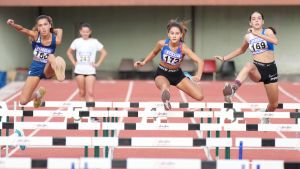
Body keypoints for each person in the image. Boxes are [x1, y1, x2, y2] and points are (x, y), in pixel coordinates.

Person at [214, 11, 279, 123]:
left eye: (259, 18)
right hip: (257, 69)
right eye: (253, 19)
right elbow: (241, 50)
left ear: (262, 21)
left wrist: (257, 34)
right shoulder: (247, 37)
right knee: (248, 65)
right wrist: (224, 58)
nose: (256, 20)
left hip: (271, 70)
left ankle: (266, 114)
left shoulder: (267, 31)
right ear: (250, 23)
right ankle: (232, 90)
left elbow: (275, 41)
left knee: (274, 104)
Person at [134, 19, 204, 110]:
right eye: (172, 33)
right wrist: (144, 62)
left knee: (200, 96)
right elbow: (154, 52)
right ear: (168, 34)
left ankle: (188, 78)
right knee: (165, 87)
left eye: (177, 33)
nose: (174, 36)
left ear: (181, 35)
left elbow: (200, 61)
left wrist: (198, 75)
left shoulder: (183, 48)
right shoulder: (161, 43)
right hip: (162, 73)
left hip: (177, 75)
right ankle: (166, 100)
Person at [7, 15, 66, 108]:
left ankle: (58, 70)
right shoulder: (35, 35)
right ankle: (38, 94)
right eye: (40, 25)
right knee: (23, 101)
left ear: (50, 25)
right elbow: (22, 29)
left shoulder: (56, 40)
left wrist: (55, 30)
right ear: (38, 28)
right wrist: (13, 24)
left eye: (45, 24)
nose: (43, 28)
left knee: (50, 56)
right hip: (35, 69)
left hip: (48, 68)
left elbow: (60, 30)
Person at [67, 23, 107, 102]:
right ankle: (83, 112)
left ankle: (90, 112)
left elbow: (104, 52)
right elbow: (69, 52)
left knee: (90, 92)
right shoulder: (76, 41)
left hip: (90, 70)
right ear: (80, 32)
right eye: (83, 31)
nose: (85, 33)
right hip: (79, 70)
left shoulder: (94, 42)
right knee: (82, 93)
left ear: (90, 32)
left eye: (87, 31)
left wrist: (98, 63)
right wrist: (74, 63)